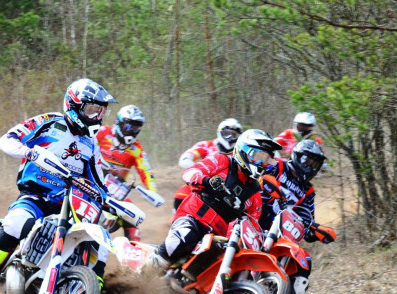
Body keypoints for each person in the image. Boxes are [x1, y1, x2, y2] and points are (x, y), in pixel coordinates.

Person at [0, 78, 116, 294]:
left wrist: (112, 204)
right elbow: (7, 140)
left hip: (68, 204)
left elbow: (100, 183)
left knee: (99, 240)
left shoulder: (91, 146)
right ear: (74, 105)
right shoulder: (49, 122)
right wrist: (30, 152)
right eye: (92, 110)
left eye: (101, 112)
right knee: (16, 223)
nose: (97, 118)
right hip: (36, 195)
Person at [145, 129, 282, 270]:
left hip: (219, 238)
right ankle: (143, 273)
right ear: (244, 151)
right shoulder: (222, 161)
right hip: (193, 218)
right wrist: (206, 181)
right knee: (184, 238)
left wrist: (261, 237)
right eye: (258, 156)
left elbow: (250, 227)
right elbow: (190, 173)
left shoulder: (255, 196)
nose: (262, 163)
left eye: (266, 159)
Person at [259, 139, 334, 294]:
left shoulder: (308, 191)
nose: (310, 166)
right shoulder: (279, 166)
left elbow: (306, 219)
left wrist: (316, 231)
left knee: (304, 259)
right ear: (297, 156)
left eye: (315, 164)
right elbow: (256, 177)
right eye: (307, 160)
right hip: (257, 218)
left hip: (282, 233)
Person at [96, 104, 161, 241]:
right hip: (92, 180)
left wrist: (152, 191)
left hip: (116, 191)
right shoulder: (103, 132)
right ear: (119, 123)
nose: (132, 131)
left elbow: (146, 171)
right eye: (129, 126)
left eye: (136, 127)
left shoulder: (137, 149)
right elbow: (85, 143)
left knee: (131, 216)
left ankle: (133, 252)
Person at [173, 118, 244, 211]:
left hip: (227, 189)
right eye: (227, 134)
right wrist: (200, 173)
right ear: (220, 133)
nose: (230, 138)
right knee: (182, 193)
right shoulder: (207, 146)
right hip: (203, 182)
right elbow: (184, 159)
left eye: (234, 135)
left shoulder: (240, 153)